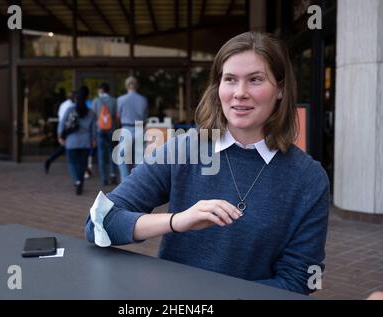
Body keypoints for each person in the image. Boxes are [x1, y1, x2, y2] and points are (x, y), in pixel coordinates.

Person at [85, 31, 330, 295]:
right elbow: (99, 223)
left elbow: (299, 280)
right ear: (218, 87)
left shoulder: (309, 178)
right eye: (230, 80)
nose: (240, 93)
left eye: (255, 80)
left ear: (280, 89)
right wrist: (177, 221)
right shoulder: (182, 149)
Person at [58, 86, 96, 195]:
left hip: (71, 141)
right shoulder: (91, 112)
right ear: (87, 97)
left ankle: (77, 181)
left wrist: (60, 136)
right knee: (82, 164)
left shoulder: (70, 110)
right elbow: (93, 128)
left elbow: (62, 123)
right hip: (85, 141)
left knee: (72, 163)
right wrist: (93, 139)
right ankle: (80, 182)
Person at [116, 76, 148, 181]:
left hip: (126, 128)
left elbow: (118, 116)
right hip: (139, 128)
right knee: (139, 159)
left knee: (121, 157)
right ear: (136, 86)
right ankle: (137, 182)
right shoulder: (143, 99)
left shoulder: (121, 99)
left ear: (126, 86)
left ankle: (125, 181)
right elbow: (145, 117)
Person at [91, 82, 118, 186]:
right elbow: (116, 116)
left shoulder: (96, 101)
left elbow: (93, 117)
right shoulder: (114, 101)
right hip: (111, 130)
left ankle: (104, 178)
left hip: (100, 130)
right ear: (108, 90)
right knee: (112, 152)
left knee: (101, 154)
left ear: (100, 90)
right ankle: (112, 175)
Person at [44, 91, 76, 174]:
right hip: (68, 130)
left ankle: (49, 160)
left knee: (64, 149)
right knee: (68, 149)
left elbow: (60, 117)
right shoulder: (71, 106)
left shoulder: (63, 104)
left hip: (63, 129)